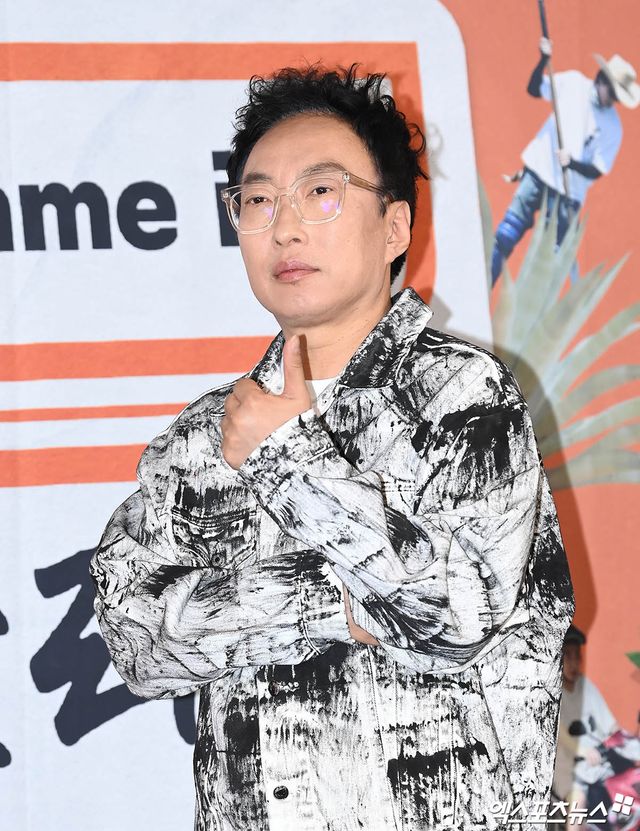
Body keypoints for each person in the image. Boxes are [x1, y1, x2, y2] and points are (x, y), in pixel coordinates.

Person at [91, 64, 575, 831]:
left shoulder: (465, 396)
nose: (284, 227)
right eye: (258, 200)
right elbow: (135, 639)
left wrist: (283, 460)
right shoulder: (205, 433)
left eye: (321, 192)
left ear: (394, 228)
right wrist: (334, 600)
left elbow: (454, 612)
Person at [491, 37, 638, 285]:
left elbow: (597, 169)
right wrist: (543, 61)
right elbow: (534, 88)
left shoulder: (614, 127)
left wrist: (572, 163)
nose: (612, 100)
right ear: (602, 78)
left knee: (548, 263)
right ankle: (483, 285)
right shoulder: (573, 83)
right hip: (538, 172)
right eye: (612, 93)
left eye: (617, 97)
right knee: (507, 233)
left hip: (568, 195)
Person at [552, 626, 619, 812]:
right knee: (578, 801)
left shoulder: (586, 686)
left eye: (577, 656)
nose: (573, 663)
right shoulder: (549, 691)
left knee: (624, 789)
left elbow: (611, 725)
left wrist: (626, 740)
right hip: (564, 767)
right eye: (567, 655)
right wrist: (581, 750)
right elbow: (559, 732)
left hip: (595, 764)